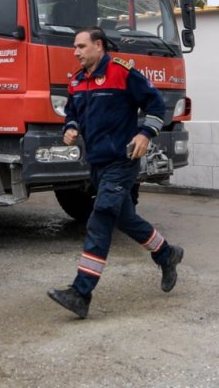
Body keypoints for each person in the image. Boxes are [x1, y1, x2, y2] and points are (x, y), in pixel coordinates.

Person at [47, 27, 184, 319]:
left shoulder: (122, 73)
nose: (76, 52)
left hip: (122, 161)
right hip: (96, 163)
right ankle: (166, 254)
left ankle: (81, 293)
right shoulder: (77, 80)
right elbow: (72, 112)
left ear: (99, 46)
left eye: (81, 46)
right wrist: (70, 127)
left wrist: (146, 133)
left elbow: (156, 103)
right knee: (125, 218)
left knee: (100, 219)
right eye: (75, 47)